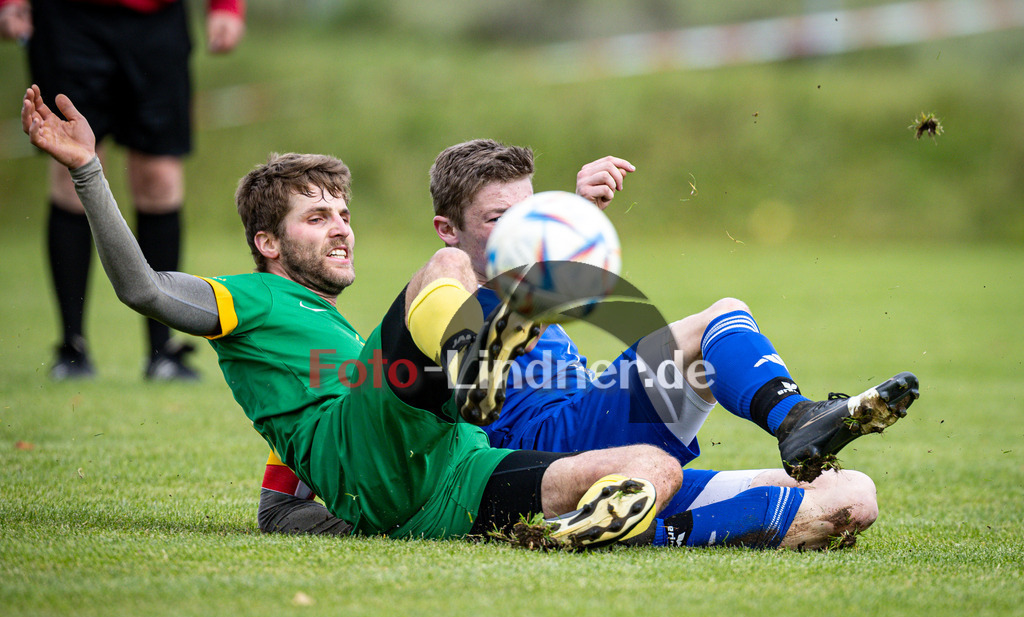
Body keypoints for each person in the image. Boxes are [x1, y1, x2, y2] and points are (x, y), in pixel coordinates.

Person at [22, 84, 682, 549]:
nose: (342, 229)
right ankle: (474, 363)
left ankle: (572, 529)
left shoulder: (334, 329)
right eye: (317, 218)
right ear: (268, 244)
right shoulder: (252, 300)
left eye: (343, 214)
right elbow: (143, 289)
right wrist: (88, 171)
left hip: (446, 476)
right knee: (445, 268)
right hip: (383, 442)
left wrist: (569, 212)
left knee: (652, 464)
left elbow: (288, 484)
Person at [257, 139, 920, 550]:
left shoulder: (530, 280)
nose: (519, 233)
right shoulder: (443, 299)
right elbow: (335, 431)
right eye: (498, 220)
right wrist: (292, 500)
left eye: (529, 215)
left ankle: (626, 520)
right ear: (448, 231)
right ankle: (793, 415)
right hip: (540, 445)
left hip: (605, 450)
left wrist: (574, 208)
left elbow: (550, 266)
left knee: (852, 496)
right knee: (720, 317)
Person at [0, 0, 245, 380]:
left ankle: (163, 352)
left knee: (160, 177)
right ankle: (71, 348)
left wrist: (226, 6)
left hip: (157, 21)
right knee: (69, 165)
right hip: (68, 20)